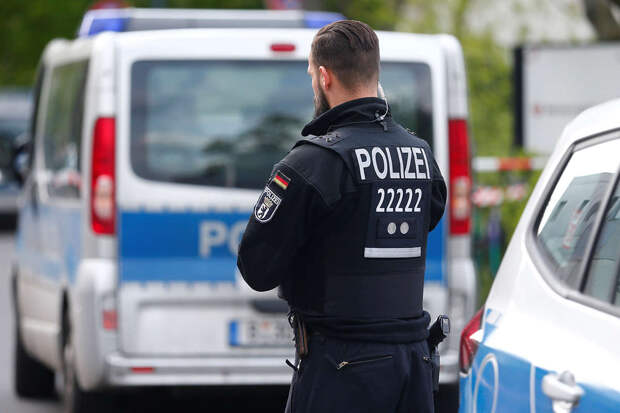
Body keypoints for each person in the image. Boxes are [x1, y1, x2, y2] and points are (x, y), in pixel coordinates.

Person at [237, 20, 447, 413]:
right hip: (413, 365)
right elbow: (421, 223)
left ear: (324, 77)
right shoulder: (421, 156)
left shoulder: (311, 163)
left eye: (311, 76)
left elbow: (257, 269)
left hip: (341, 368)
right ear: (375, 74)